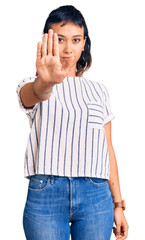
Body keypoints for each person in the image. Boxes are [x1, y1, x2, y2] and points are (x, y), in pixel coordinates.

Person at [16, 5, 129, 240]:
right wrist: (46, 83)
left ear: (84, 42)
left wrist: (118, 204)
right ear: (47, 40)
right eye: (60, 39)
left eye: (76, 40)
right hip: (46, 193)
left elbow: (107, 149)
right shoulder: (34, 84)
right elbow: (32, 95)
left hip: (96, 195)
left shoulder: (99, 91)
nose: (68, 49)